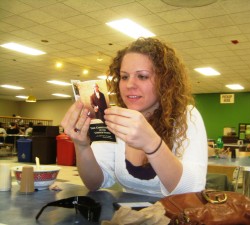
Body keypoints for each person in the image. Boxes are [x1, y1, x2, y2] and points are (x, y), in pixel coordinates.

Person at [61, 37, 208, 197]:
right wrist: (82, 146)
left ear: (165, 81)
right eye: (124, 77)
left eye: (142, 76)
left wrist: (152, 143)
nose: (129, 84)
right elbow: (95, 183)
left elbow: (191, 191)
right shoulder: (114, 118)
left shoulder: (186, 116)